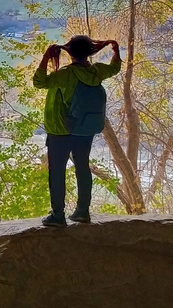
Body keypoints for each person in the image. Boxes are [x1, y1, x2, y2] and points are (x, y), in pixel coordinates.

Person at [33, 34, 121, 227]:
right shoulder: (97, 72)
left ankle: (58, 215)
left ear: (70, 52)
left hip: (60, 129)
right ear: (89, 52)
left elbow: (39, 82)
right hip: (84, 128)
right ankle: (82, 212)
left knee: (57, 171)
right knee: (82, 167)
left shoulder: (66, 74)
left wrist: (46, 57)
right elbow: (115, 68)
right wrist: (115, 50)